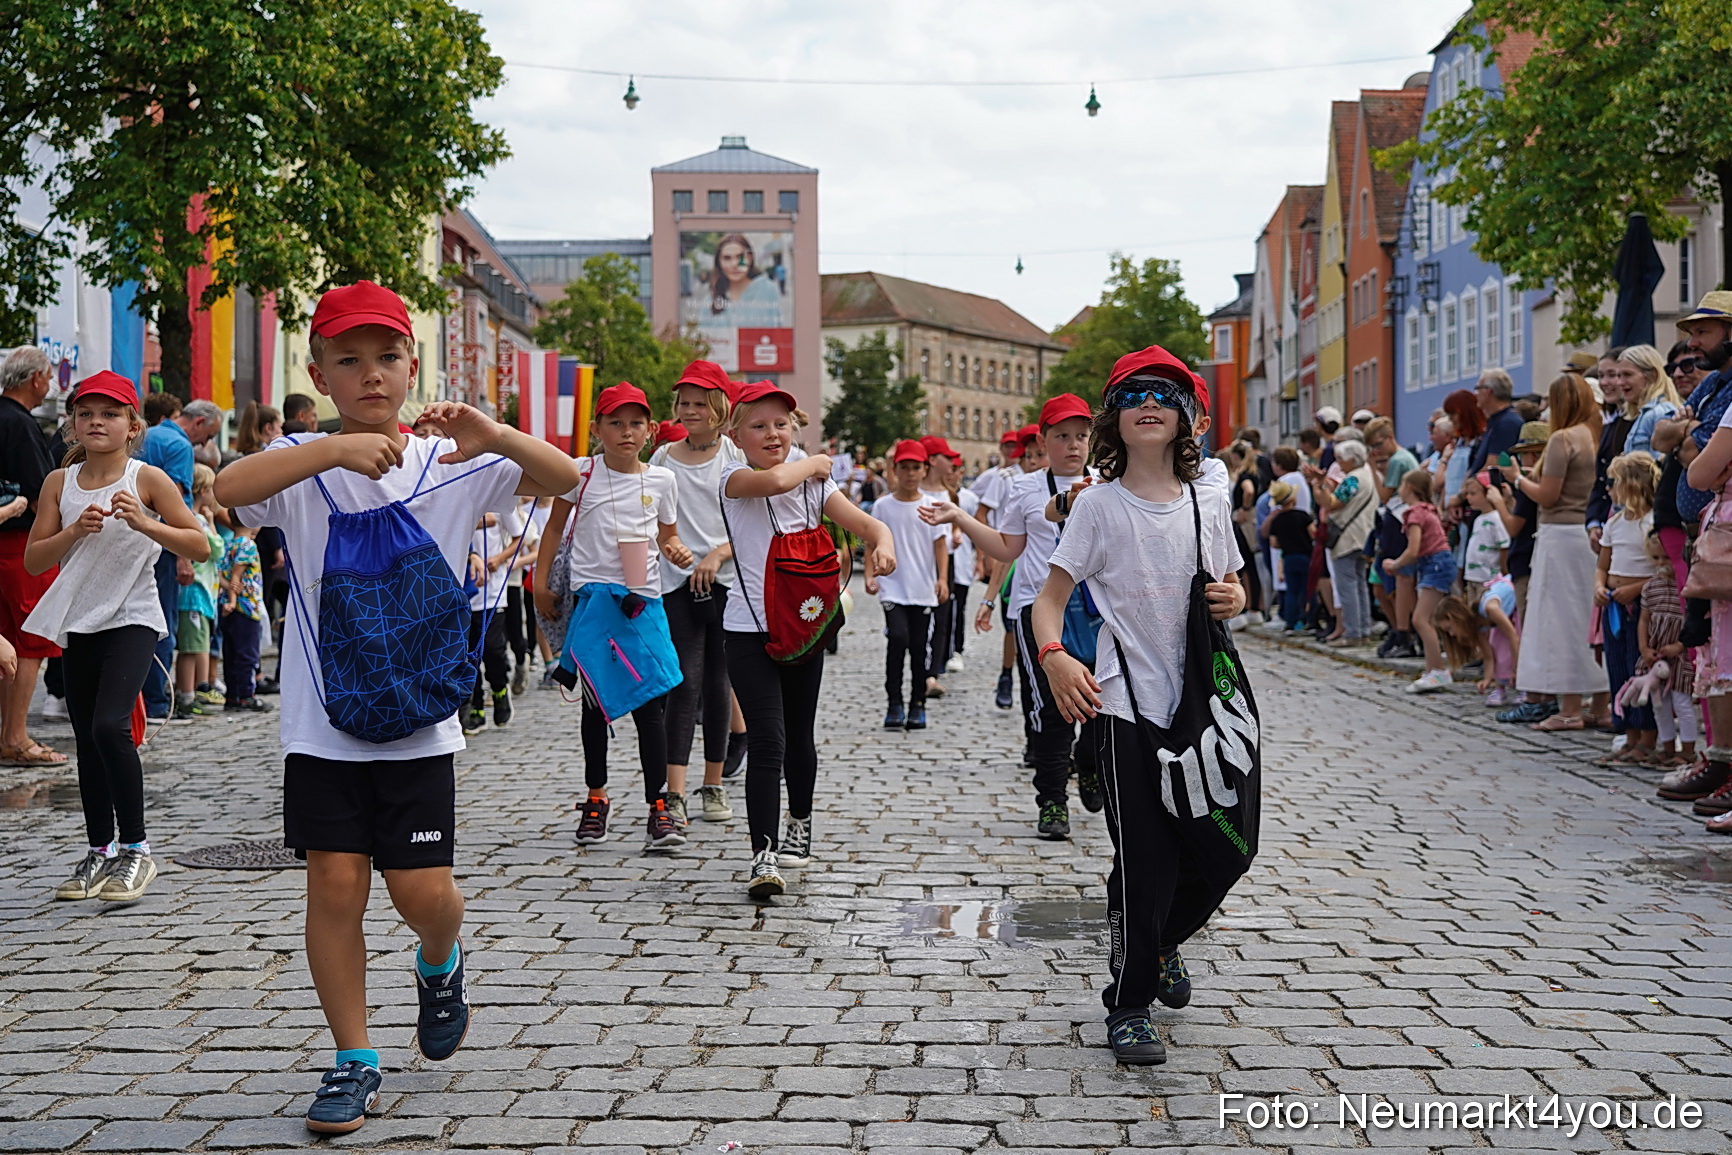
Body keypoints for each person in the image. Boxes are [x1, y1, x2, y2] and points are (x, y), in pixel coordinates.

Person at [214, 281, 583, 1136]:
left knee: (425, 893)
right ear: (319, 371)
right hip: (322, 723)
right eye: (349, 360)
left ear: (413, 365)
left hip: (419, 718)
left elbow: (565, 476)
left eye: (387, 357)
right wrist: (329, 451)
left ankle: (440, 958)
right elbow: (233, 487)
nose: (370, 375)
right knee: (335, 882)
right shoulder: (304, 465)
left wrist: (491, 434)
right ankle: (353, 1058)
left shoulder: (450, 461)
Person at [1028, 344, 1250, 1067]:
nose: (1147, 402)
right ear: (1112, 420)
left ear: (1188, 416)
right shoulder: (1096, 506)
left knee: (1224, 852)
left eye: (1163, 392)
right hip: (1123, 707)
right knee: (1146, 861)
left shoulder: (1206, 500)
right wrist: (1057, 657)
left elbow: (1233, 586)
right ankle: (1128, 1003)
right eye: (1131, 394)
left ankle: (1159, 941)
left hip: (1203, 706)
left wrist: (1235, 596)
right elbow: (1048, 600)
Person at [24, 371, 211, 903]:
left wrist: (148, 525)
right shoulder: (58, 484)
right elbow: (37, 559)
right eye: (86, 414)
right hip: (79, 620)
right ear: (72, 425)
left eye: (109, 414)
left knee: (111, 726)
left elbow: (199, 545)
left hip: (132, 617)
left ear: (133, 425)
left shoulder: (146, 478)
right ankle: (99, 851)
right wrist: (71, 531)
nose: (97, 423)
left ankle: (137, 849)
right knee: (87, 740)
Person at [720, 380, 893, 900]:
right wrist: (816, 464)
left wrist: (881, 545)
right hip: (747, 629)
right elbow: (773, 482)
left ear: (794, 426)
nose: (772, 433)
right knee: (767, 737)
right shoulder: (734, 476)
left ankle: (800, 817)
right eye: (758, 425)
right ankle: (763, 854)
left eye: (781, 423)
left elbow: (864, 524)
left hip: (805, 623)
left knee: (799, 734)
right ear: (735, 434)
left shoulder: (816, 481)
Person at [924, 393, 1109, 840]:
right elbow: (1008, 548)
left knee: (1103, 702)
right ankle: (1051, 802)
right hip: (1037, 608)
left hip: (1100, 611)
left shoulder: (1109, 482)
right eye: (1062, 436)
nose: (1073, 445)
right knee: (1050, 707)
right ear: (1043, 440)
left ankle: (1089, 762)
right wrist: (959, 517)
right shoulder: (1025, 487)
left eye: (1081, 436)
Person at [538, 383, 691, 845]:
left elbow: (667, 536)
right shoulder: (579, 474)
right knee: (595, 709)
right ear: (596, 428)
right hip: (593, 608)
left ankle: (659, 805)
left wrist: (677, 550)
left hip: (643, 604)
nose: (626, 432)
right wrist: (540, 582)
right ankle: (597, 797)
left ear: (651, 430)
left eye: (636, 423)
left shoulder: (662, 480)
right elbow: (552, 528)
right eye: (615, 422)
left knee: (651, 709)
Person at [651, 360, 745, 826]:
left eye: (698, 403)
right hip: (676, 584)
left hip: (727, 584)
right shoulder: (664, 457)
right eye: (683, 403)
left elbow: (752, 524)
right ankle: (676, 791)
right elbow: (649, 517)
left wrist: (717, 554)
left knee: (718, 683)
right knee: (682, 683)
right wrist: (670, 547)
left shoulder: (736, 457)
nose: (689, 411)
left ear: (719, 408)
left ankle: (714, 784)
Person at [1507, 372, 1606, 731]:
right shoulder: (1596, 435)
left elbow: (1548, 496)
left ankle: (1569, 708)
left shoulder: (1563, 439)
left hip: (1560, 534)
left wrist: (1517, 479)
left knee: (1561, 621)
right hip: (1586, 534)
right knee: (1589, 617)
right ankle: (1599, 703)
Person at [0, 346, 66, 766]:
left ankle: (7, 734)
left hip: (5, 542)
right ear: (35, 379)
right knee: (29, 642)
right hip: (22, 545)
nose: (50, 385)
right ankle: (16, 736)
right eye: (47, 378)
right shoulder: (21, 425)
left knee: (7, 641)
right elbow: (43, 493)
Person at [138, 396, 222, 721]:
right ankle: (157, 701)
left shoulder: (150, 435)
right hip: (161, 544)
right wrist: (183, 555)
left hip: (133, 536)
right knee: (162, 622)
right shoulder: (178, 445)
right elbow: (175, 503)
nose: (206, 443)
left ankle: (140, 699)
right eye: (210, 435)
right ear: (198, 423)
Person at [868, 439, 949, 729]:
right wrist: (870, 574)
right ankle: (894, 702)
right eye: (905, 468)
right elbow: (870, 542)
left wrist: (941, 579)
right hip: (893, 586)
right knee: (897, 638)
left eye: (916, 467)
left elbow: (940, 545)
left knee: (918, 646)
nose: (911, 473)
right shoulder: (883, 506)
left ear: (925, 469)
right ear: (895, 469)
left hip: (922, 588)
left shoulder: (931, 506)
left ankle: (917, 703)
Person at [1594, 454, 1659, 762]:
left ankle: (1647, 737)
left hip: (1640, 604)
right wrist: (1599, 586)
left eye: (1616, 482)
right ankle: (1628, 734)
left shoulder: (1651, 523)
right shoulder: (1615, 523)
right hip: (1615, 605)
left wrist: (1634, 588)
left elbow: (1661, 569)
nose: (1611, 488)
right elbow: (1602, 564)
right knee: (1618, 666)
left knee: (1639, 666)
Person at [1381, 470, 1457, 692]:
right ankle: (1433, 668)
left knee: (1420, 620)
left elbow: (1413, 549)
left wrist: (1395, 564)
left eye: (1402, 484)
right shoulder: (1426, 510)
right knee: (1426, 619)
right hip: (1435, 564)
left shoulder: (1415, 513)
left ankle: (1438, 672)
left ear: (1410, 488)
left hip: (1435, 565)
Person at [1634, 534, 1695, 768]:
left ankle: (1688, 750)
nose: (1661, 563)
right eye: (1656, 558)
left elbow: (1692, 621)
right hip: (1657, 654)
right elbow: (1644, 620)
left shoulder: (1686, 585)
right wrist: (1644, 648)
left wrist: (1680, 646)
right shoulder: (1650, 587)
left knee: (1682, 703)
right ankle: (1668, 746)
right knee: (1661, 704)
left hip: (1679, 655)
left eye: (1666, 558)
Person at [172, 464, 227, 719]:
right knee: (192, 647)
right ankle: (187, 695)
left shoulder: (198, 519)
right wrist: (214, 525)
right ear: (203, 490)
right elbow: (216, 549)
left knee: (198, 644)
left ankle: (193, 691)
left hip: (203, 594)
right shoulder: (198, 521)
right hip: (193, 594)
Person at [1311, 438, 1378, 647]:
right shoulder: (1368, 476)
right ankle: (1363, 629)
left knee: (1347, 586)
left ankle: (1353, 633)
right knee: (1359, 585)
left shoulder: (1352, 479)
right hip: (1363, 536)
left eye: (1341, 458)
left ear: (1352, 459)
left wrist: (1319, 484)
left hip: (1347, 538)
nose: (1338, 463)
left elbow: (1330, 503)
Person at [1432, 576, 1520, 707]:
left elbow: (1514, 637)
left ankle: (1524, 686)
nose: (1452, 634)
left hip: (1518, 601)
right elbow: (1488, 656)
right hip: (1509, 613)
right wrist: (1487, 679)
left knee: (1512, 644)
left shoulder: (1490, 608)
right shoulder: (1479, 626)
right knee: (1497, 646)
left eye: (1450, 628)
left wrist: (1516, 670)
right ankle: (1500, 688)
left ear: (1457, 618)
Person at [218, 514, 271, 713]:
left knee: (231, 652)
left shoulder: (230, 544)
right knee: (247, 654)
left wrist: (228, 598)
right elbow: (235, 578)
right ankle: (246, 695)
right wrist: (234, 597)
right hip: (247, 606)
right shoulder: (248, 546)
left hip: (229, 608)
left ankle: (232, 695)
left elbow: (221, 574)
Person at [1262, 481, 1312, 630]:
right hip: (1305, 556)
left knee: (1291, 591)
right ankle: (1307, 619)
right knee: (1307, 590)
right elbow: (1313, 533)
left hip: (1289, 558)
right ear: (1293, 500)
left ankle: (1290, 622)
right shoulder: (1303, 516)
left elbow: (1273, 543)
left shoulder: (1277, 520)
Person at [1617, 345, 1681, 460]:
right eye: (1618, 376)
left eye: (1627, 374)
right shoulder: (1645, 414)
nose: (1620, 382)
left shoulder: (1660, 413)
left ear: (1652, 375)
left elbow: (1660, 465)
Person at [705, 233, 784, 326]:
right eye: (727, 258)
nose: (734, 264)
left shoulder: (767, 290)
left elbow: (776, 333)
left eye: (740, 257)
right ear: (719, 263)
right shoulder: (710, 299)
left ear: (750, 258)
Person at [1458, 472, 1510, 609]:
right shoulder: (1479, 519)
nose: (1468, 497)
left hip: (1488, 579)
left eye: (1473, 493)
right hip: (1473, 577)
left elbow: (1504, 547)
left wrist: (1504, 574)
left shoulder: (1496, 518)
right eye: (1467, 494)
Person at [1468, 368, 1523, 474]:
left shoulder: (1507, 423)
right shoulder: (1496, 420)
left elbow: (1493, 465)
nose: (1475, 394)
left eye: (1477, 388)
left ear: (1488, 391)